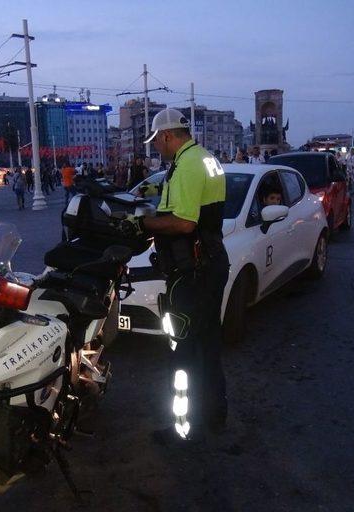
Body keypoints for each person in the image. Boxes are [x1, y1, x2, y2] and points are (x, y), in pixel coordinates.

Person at [115, 109, 229, 445]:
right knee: (207, 346)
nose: (157, 149)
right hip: (208, 264)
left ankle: (182, 428)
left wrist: (141, 223)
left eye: (157, 142)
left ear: (167, 136)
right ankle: (214, 416)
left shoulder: (188, 164)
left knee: (181, 351)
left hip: (192, 272)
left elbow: (183, 223)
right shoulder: (205, 158)